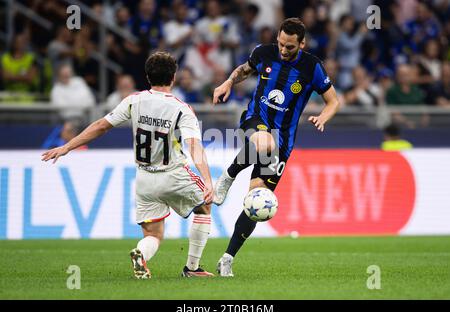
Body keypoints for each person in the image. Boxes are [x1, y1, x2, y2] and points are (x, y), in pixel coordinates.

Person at [42, 52, 214, 279]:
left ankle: (141, 254)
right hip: (173, 174)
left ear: (147, 77)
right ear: (173, 77)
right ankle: (192, 268)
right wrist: (208, 180)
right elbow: (194, 146)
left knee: (153, 234)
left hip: (144, 179)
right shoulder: (182, 108)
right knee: (204, 207)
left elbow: (101, 126)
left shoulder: (134, 100)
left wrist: (67, 146)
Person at [212, 18, 340, 276]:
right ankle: (229, 175)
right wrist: (228, 82)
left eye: (290, 47)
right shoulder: (264, 52)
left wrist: (323, 117)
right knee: (264, 140)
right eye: (281, 44)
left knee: (255, 202)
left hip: (284, 142)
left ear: (302, 43)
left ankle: (227, 258)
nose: (283, 50)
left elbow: (333, 101)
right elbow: (244, 70)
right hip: (255, 119)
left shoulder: (312, 66)